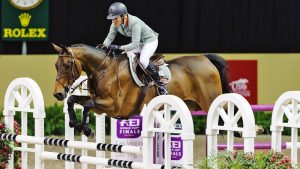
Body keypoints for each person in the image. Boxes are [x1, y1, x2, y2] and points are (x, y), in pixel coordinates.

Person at [101, 2, 168, 95]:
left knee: (143, 60)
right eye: (112, 19)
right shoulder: (115, 23)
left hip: (150, 41)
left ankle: (161, 85)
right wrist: (104, 46)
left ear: (123, 16)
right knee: (124, 55)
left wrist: (119, 47)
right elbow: (110, 37)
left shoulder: (134, 22)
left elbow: (135, 44)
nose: (114, 21)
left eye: (115, 18)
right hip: (140, 43)